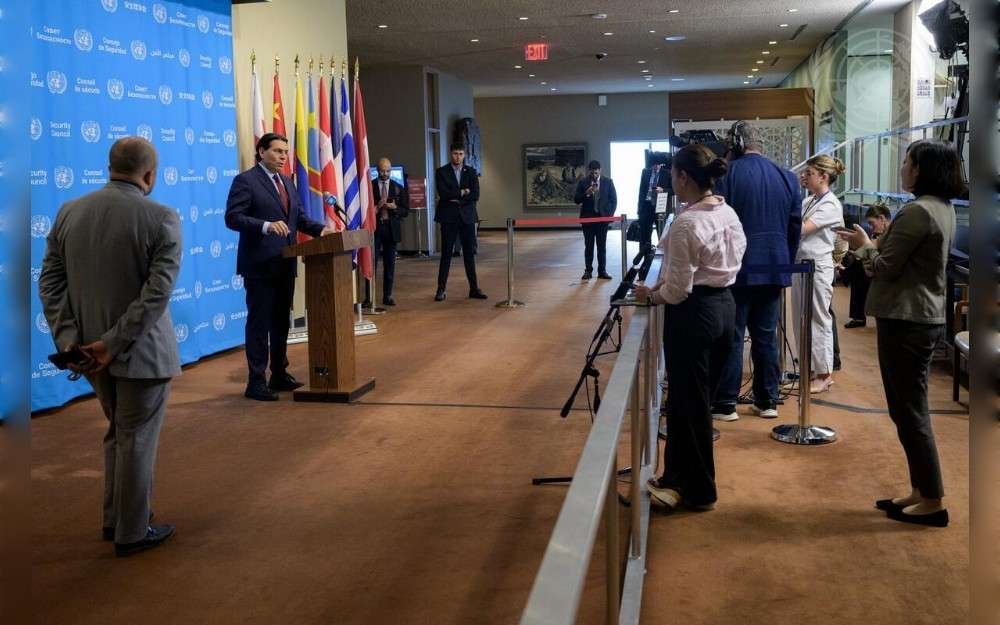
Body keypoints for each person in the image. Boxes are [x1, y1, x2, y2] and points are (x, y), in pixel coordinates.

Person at [38, 137, 180, 557]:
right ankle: (133, 532)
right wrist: (112, 344)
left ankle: (113, 519)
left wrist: (74, 343)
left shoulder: (69, 211)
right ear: (149, 175)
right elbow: (156, 296)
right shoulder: (161, 216)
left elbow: (49, 283)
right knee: (136, 438)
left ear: (109, 166)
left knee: (119, 432)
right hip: (141, 354)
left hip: (88, 355)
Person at [840, 139, 961, 528]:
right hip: (918, 318)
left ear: (922, 170)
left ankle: (932, 500)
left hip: (908, 320)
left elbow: (885, 267)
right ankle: (921, 490)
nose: (902, 167)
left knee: (910, 411)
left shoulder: (917, 212)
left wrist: (863, 247)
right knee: (907, 410)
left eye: (907, 162)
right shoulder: (941, 208)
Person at [634, 144, 746, 511]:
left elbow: (678, 290)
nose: (670, 180)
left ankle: (698, 489)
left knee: (689, 405)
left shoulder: (686, 222)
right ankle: (676, 481)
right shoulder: (726, 211)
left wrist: (651, 296)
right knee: (692, 404)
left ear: (683, 177)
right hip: (725, 309)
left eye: (672, 175)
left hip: (694, 315)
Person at [225, 132, 333, 401]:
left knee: (281, 322)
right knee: (260, 323)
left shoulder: (287, 182)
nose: (283, 156)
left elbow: (298, 219)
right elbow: (233, 218)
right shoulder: (246, 181)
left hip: (286, 263)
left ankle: (279, 374)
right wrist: (265, 226)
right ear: (261, 152)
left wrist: (322, 231)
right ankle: (256, 381)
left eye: (285, 152)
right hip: (260, 265)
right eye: (277, 151)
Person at [711, 121, 802, 421]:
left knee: (733, 336)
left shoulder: (728, 175)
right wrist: (785, 262)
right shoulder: (788, 178)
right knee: (766, 338)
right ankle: (768, 400)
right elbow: (794, 227)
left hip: (737, 270)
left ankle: (726, 403)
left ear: (736, 144)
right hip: (775, 268)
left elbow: (720, 225)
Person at [794, 155, 846, 394]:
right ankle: (808, 368)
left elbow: (802, 228)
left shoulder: (831, 204)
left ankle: (824, 374)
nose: (804, 177)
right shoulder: (809, 201)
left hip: (818, 266)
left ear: (823, 177)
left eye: (810, 173)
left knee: (818, 319)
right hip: (801, 265)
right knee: (801, 319)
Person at [434, 143, 486, 301]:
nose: (458, 156)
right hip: (449, 218)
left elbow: (475, 195)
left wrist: (456, 196)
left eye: (461, 154)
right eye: (455, 153)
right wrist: (463, 191)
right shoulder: (442, 172)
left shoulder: (470, 172)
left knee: (469, 254)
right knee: (446, 255)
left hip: (467, 218)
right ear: (451, 153)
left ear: (464, 155)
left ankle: (474, 288)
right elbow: (444, 194)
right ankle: (441, 290)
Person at [365, 157, 409, 306]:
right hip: (375, 228)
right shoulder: (369, 187)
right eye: (382, 170)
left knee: (390, 264)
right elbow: (364, 210)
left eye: (388, 171)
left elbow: (405, 210)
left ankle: (388, 295)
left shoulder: (398, 187)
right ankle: (369, 297)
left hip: (391, 228)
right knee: (371, 263)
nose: (385, 173)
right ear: (377, 170)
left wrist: (394, 208)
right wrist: (377, 207)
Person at [842, 203, 891, 328]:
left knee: (857, 268)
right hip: (878, 267)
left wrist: (862, 252)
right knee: (858, 266)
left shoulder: (894, 233)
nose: (871, 227)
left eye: (872, 223)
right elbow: (872, 249)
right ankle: (844, 273)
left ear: (882, 218)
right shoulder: (879, 234)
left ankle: (843, 274)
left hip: (889, 271)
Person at [573, 160, 618, 280]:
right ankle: (588, 271)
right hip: (588, 220)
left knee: (601, 247)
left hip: (602, 220)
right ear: (589, 171)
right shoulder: (583, 182)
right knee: (589, 246)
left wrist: (608, 215)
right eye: (592, 173)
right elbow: (576, 199)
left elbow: (613, 200)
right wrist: (586, 193)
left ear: (600, 170)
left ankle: (602, 271)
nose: (594, 175)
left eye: (596, 172)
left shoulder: (608, 182)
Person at [637, 161, 668, 253]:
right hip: (646, 205)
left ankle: (663, 257)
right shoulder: (645, 172)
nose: (656, 166)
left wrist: (663, 190)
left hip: (660, 206)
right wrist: (639, 208)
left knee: (662, 234)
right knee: (644, 236)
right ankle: (645, 259)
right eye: (654, 164)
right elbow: (641, 191)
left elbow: (673, 189)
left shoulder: (666, 173)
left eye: (658, 164)